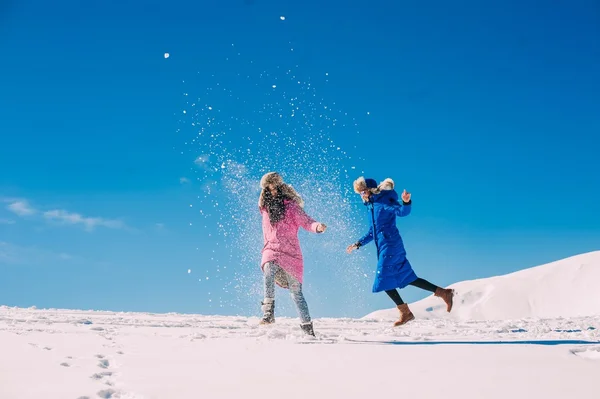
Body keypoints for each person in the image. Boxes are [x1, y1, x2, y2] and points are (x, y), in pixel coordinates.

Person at [346, 176, 454, 326]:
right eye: (360, 193)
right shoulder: (372, 207)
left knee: (382, 279)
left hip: (391, 245)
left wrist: (406, 201)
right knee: (406, 277)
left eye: (363, 192)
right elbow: (373, 232)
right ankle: (443, 293)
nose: (361, 196)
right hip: (385, 246)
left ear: (370, 190)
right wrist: (358, 244)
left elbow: (402, 212)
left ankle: (405, 312)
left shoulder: (383, 202)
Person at [258, 172, 327, 336]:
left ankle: (308, 329)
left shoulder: (291, 207)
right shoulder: (265, 209)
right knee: (268, 266)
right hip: (272, 249)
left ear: (281, 188)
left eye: (274, 187)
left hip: (292, 255)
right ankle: (268, 312)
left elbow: (307, 221)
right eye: (268, 188)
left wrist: (317, 227)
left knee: (296, 294)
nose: (271, 191)